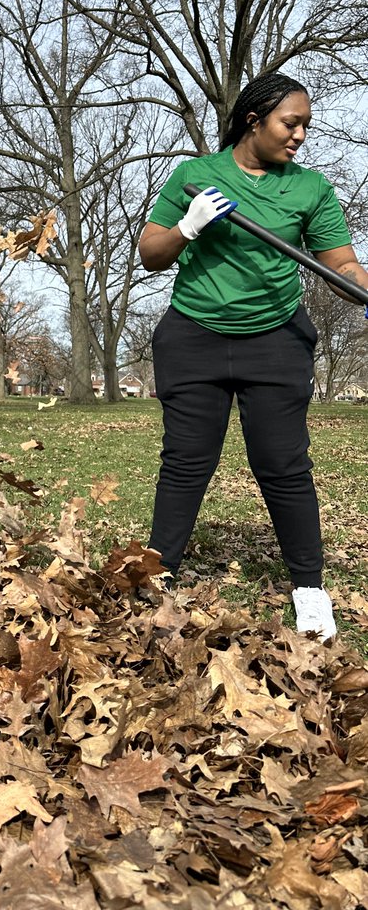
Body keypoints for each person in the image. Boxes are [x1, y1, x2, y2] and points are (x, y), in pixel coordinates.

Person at [139, 71, 368, 642]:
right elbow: (151, 253)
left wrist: (364, 289)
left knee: (284, 466)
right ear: (253, 119)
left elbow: (339, 264)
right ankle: (156, 574)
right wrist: (189, 228)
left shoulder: (310, 188)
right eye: (291, 124)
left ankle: (310, 590)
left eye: (306, 127)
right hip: (194, 336)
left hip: (276, 340)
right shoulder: (195, 177)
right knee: (186, 462)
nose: (299, 136)